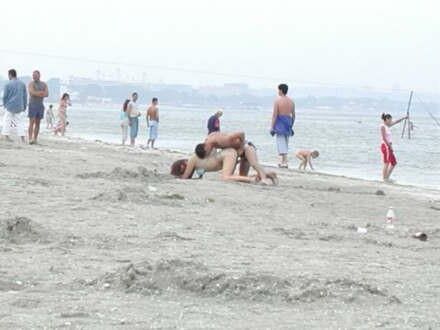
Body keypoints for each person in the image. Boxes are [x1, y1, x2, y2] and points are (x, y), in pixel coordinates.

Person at [195, 131, 277, 185]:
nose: (209, 154)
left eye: (207, 154)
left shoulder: (220, 140)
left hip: (246, 147)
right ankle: (268, 174)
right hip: (239, 152)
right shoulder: (210, 141)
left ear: (205, 148)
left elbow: (241, 133)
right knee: (242, 177)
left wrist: (241, 148)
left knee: (254, 164)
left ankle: (264, 179)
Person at [171, 147, 277, 184]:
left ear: (182, 165)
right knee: (240, 177)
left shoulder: (192, 160)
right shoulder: (198, 161)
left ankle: (252, 179)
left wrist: (175, 178)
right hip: (230, 155)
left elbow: (184, 178)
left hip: (228, 155)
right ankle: (265, 174)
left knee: (226, 177)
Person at [271, 84, 295, 168]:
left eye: (278, 90)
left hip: (280, 122)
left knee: (281, 142)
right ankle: (283, 161)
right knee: (285, 142)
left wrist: (272, 127)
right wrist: (291, 125)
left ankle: (284, 161)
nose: (278, 91)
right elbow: (294, 115)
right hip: (288, 121)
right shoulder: (291, 101)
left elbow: (274, 115)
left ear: (281, 90)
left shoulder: (277, 101)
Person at [1, 69, 27, 143]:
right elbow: (25, 96)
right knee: (20, 122)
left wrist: (5, 105)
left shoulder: (8, 84)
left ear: (10, 75)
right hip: (19, 106)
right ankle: (22, 139)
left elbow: (5, 96)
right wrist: (24, 106)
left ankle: (6, 136)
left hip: (10, 106)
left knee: (7, 121)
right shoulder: (22, 84)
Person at [380, 113, 407, 182]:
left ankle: (387, 177)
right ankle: (384, 178)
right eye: (390, 120)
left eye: (391, 120)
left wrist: (404, 118)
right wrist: (389, 146)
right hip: (386, 146)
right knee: (386, 162)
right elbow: (383, 138)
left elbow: (396, 122)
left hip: (389, 146)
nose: (391, 121)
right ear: (386, 119)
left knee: (394, 162)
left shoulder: (387, 126)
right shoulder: (382, 126)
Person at [28, 70, 49, 144]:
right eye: (33, 75)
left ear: (39, 76)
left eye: (35, 75)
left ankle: (35, 139)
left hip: (40, 105)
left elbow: (46, 94)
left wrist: (36, 93)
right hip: (32, 104)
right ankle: (30, 139)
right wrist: (40, 93)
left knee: (38, 123)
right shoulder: (31, 83)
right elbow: (31, 93)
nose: (34, 77)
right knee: (31, 122)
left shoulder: (44, 84)